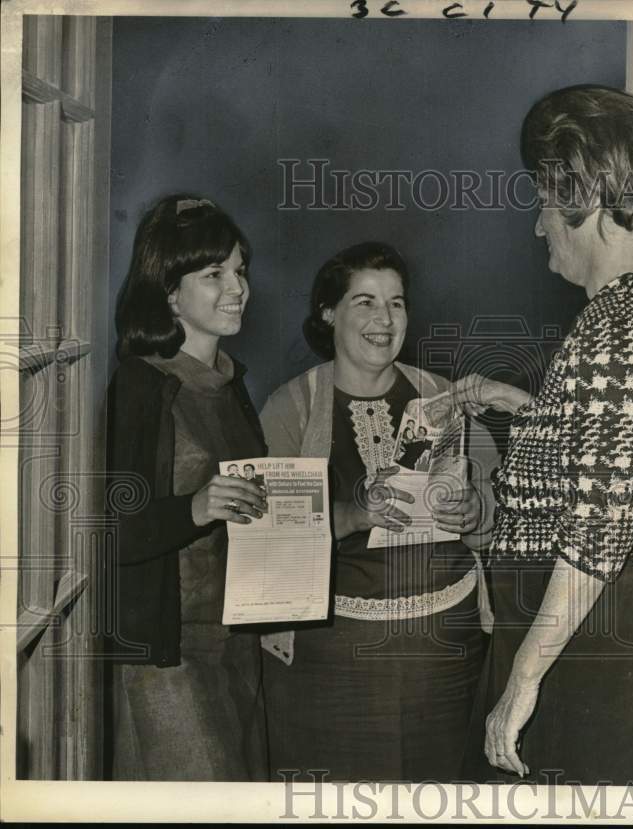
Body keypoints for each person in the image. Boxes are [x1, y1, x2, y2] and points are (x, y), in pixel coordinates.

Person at [453, 85, 633, 785]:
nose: (540, 226)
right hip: (624, 623)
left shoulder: (617, 329)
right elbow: (622, 450)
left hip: (595, 635)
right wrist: (532, 407)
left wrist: (521, 682)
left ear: (588, 199)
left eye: (545, 200)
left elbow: (599, 527)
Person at [259, 241, 499, 781]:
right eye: (364, 302)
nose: (384, 319)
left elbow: (497, 518)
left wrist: (474, 512)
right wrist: (351, 515)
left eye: (396, 303)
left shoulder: (444, 396)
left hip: (447, 656)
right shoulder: (289, 406)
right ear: (328, 312)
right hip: (334, 662)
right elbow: (266, 544)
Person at [106, 194, 270, 781]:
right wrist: (196, 508)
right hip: (168, 659)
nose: (239, 287)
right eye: (215, 273)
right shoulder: (141, 385)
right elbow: (108, 534)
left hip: (237, 647)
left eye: (240, 269)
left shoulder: (230, 384)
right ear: (170, 293)